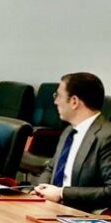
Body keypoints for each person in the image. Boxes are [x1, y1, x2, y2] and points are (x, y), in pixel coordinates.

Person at [33, 73, 111, 212]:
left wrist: (62, 193)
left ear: (74, 101)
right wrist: (41, 189)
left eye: (58, 96)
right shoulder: (69, 131)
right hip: (51, 208)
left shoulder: (106, 136)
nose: (55, 101)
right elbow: (50, 168)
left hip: (83, 214)